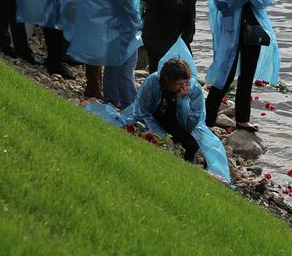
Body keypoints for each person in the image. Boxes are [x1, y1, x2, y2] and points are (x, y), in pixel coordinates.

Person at [85, 43, 232, 183]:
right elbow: (142, 111)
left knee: (195, 141)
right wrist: (162, 136)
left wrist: (182, 101)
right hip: (155, 116)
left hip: (180, 121)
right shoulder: (153, 81)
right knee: (135, 128)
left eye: (186, 82)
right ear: (168, 81)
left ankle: (189, 160)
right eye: (179, 84)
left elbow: (193, 122)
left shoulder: (193, 89)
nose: (184, 86)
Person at [205, 0, 280, 130]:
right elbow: (221, 4)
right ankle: (207, 119)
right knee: (225, 74)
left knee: (247, 75)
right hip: (231, 30)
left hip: (253, 29)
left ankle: (242, 118)